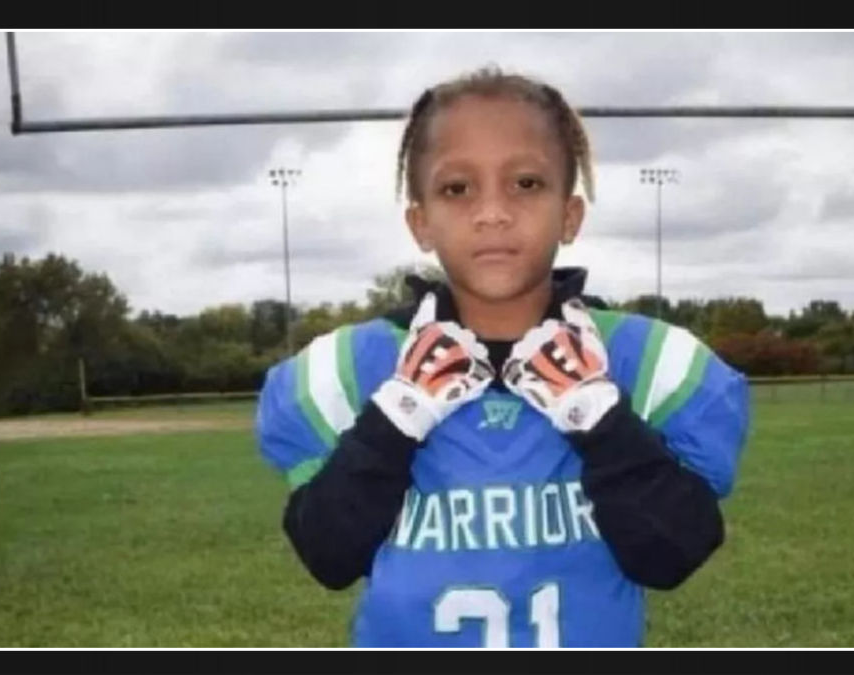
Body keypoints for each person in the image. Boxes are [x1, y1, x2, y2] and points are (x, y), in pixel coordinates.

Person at [255, 66, 750, 647]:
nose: (492, 212)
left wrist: (601, 421)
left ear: (570, 215)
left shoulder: (642, 362)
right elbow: (330, 556)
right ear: (420, 222)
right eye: (457, 189)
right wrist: (393, 421)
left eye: (526, 183)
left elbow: (670, 557)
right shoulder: (355, 368)